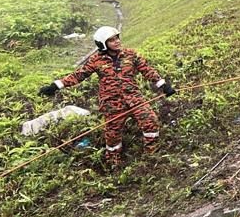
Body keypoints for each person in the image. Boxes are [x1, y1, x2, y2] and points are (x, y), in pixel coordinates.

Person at [38, 27, 175, 167]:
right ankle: (114, 165)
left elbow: (147, 70)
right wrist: (56, 85)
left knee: (150, 121)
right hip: (112, 104)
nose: (116, 42)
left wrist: (163, 85)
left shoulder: (130, 54)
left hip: (134, 98)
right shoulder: (96, 60)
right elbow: (79, 75)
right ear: (103, 43)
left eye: (117, 38)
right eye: (111, 40)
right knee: (113, 137)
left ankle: (150, 156)